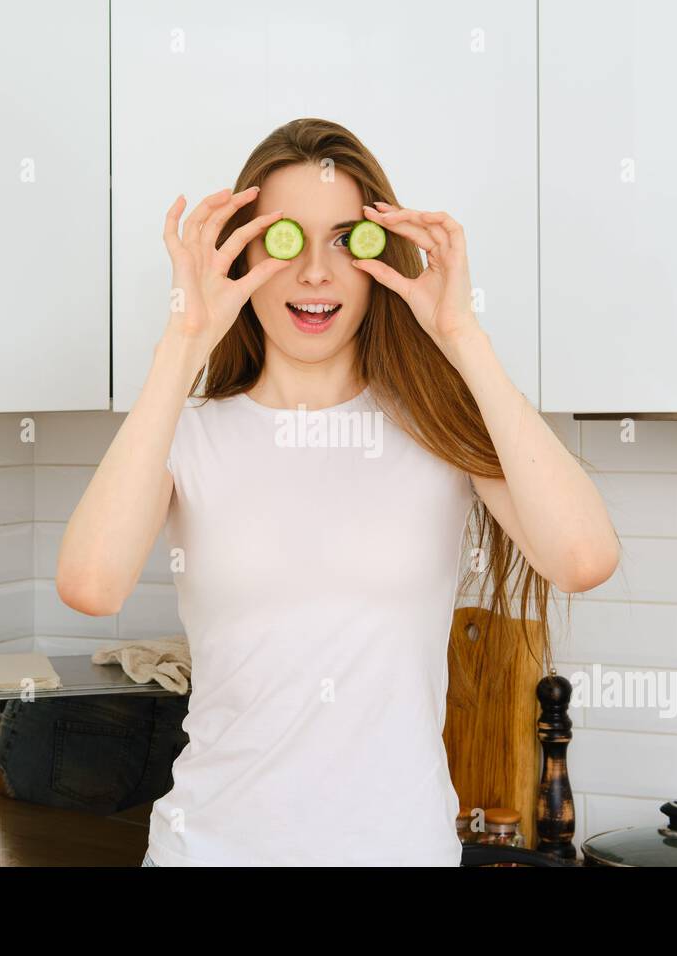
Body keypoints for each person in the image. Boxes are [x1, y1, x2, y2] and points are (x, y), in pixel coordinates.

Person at [56, 118, 619, 866]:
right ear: (245, 254)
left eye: (345, 239)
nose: (315, 273)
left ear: (378, 257)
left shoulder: (435, 429)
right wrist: (183, 340)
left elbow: (583, 558)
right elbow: (92, 584)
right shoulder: (188, 432)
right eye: (286, 237)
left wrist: (461, 336)